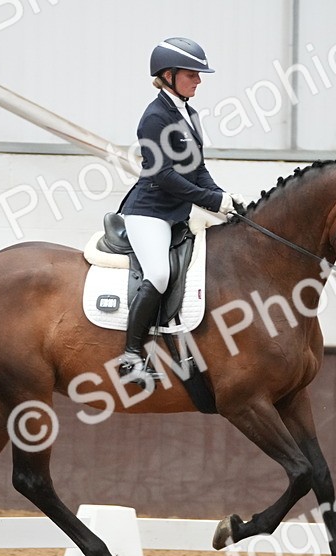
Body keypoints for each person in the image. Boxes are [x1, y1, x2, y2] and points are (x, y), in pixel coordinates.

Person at [117, 36, 245, 385]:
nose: (199, 80)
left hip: (178, 213)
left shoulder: (189, 114)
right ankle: (130, 356)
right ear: (169, 74)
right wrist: (208, 200)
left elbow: (196, 168)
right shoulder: (154, 118)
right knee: (158, 274)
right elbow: (164, 174)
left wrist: (223, 197)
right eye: (193, 74)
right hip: (150, 212)